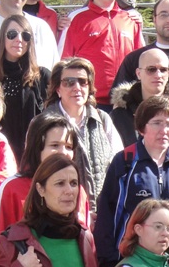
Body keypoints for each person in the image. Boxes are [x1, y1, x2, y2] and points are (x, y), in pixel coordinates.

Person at [94, 95, 169, 267]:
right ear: (141, 128)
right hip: (131, 261)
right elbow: (107, 216)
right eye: (157, 123)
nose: (164, 130)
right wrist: (107, 264)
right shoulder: (125, 161)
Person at [0, 112, 88, 249]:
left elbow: (85, 243)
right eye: (54, 145)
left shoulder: (77, 190)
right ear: (36, 148)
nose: (63, 152)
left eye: (69, 147)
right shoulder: (11, 189)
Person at [58, 0, 144, 111]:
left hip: (125, 102)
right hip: (89, 101)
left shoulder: (131, 20)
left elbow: (142, 60)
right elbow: (62, 63)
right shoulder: (75, 19)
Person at [46, 58, 123, 207]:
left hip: (101, 212)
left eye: (82, 82)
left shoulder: (103, 119)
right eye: (69, 82)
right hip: (60, 211)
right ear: (58, 89)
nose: (77, 87)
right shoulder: (43, 122)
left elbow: (118, 164)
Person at [0, 14, 51, 162]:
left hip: (33, 157)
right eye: (12, 34)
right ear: (2, 38)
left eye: (25, 35)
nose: (19, 40)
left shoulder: (43, 76)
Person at [108, 47, 169, 150]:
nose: (158, 75)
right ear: (138, 74)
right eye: (151, 69)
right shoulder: (119, 115)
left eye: (163, 70)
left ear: (168, 74)